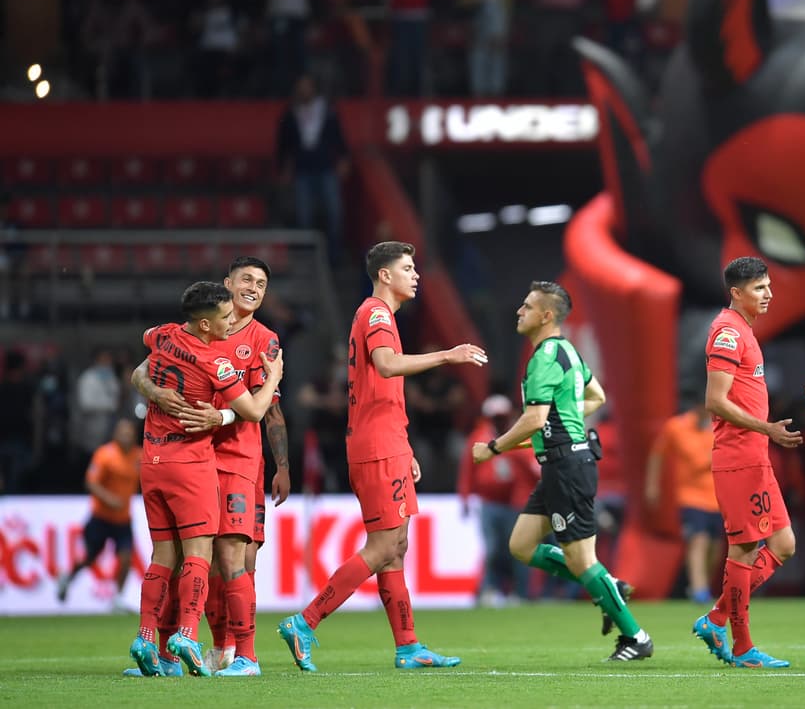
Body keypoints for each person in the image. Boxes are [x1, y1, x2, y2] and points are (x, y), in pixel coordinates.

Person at [278, 241, 488, 672]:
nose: (416, 275)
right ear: (385, 275)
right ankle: (305, 621)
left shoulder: (378, 315)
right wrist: (448, 355)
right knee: (385, 544)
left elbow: (384, 390)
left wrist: (405, 446)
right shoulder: (376, 314)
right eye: (407, 268)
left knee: (396, 548)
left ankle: (408, 646)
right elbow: (388, 365)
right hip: (376, 447)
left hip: (385, 443)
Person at [471, 280, 653, 661]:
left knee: (582, 560)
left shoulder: (543, 357)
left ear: (546, 315)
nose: (519, 311)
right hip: (561, 462)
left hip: (567, 464)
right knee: (521, 545)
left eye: (526, 306)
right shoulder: (568, 350)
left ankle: (636, 637)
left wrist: (492, 448)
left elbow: (534, 418)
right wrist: (562, 419)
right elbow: (596, 397)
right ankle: (608, 587)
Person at [132, 257, 291, 676]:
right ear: (228, 284)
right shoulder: (195, 329)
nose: (254, 287)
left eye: (261, 282)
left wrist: (280, 462)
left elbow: (264, 407)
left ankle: (243, 654)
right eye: (246, 279)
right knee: (181, 554)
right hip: (191, 456)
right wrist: (156, 393)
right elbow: (141, 372)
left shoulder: (264, 340)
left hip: (236, 457)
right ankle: (170, 652)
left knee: (231, 557)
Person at [691, 257, 804, 669]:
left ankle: (717, 617)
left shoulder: (744, 331)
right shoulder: (726, 332)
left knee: (784, 544)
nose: (769, 293)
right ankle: (742, 648)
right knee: (744, 549)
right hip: (738, 457)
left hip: (754, 457)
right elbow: (715, 401)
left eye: (769, 285)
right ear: (736, 293)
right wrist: (767, 428)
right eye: (759, 288)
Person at [457, 394, 539, 605]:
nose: (500, 421)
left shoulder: (518, 436)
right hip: (489, 501)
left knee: (516, 550)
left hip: (515, 502)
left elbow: (533, 467)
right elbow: (468, 469)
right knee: (492, 548)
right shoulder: (479, 436)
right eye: (496, 417)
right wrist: (465, 497)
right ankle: (488, 590)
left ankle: (520, 593)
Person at [56, 416, 141, 611]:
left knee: (126, 558)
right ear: (115, 434)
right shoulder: (105, 455)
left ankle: (117, 599)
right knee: (89, 558)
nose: (126, 435)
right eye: (122, 431)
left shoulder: (139, 457)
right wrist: (109, 498)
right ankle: (67, 577)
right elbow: (90, 482)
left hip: (123, 519)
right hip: (100, 518)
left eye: (129, 432)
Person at [646, 404, 719, 604]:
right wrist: (652, 485)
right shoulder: (677, 427)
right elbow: (658, 454)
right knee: (698, 540)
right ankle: (699, 590)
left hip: (717, 496)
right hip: (690, 496)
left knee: (715, 547)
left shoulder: (719, 425)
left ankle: (703, 584)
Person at [276, 74, 351, 266]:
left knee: (334, 212)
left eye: (307, 86)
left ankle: (335, 256)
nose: (304, 90)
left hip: (326, 167)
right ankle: (308, 258)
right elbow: (283, 144)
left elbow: (338, 136)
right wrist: (283, 167)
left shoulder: (327, 110)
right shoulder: (291, 113)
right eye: (301, 87)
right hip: (303, 169)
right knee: (304, 214)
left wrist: (343, 158)